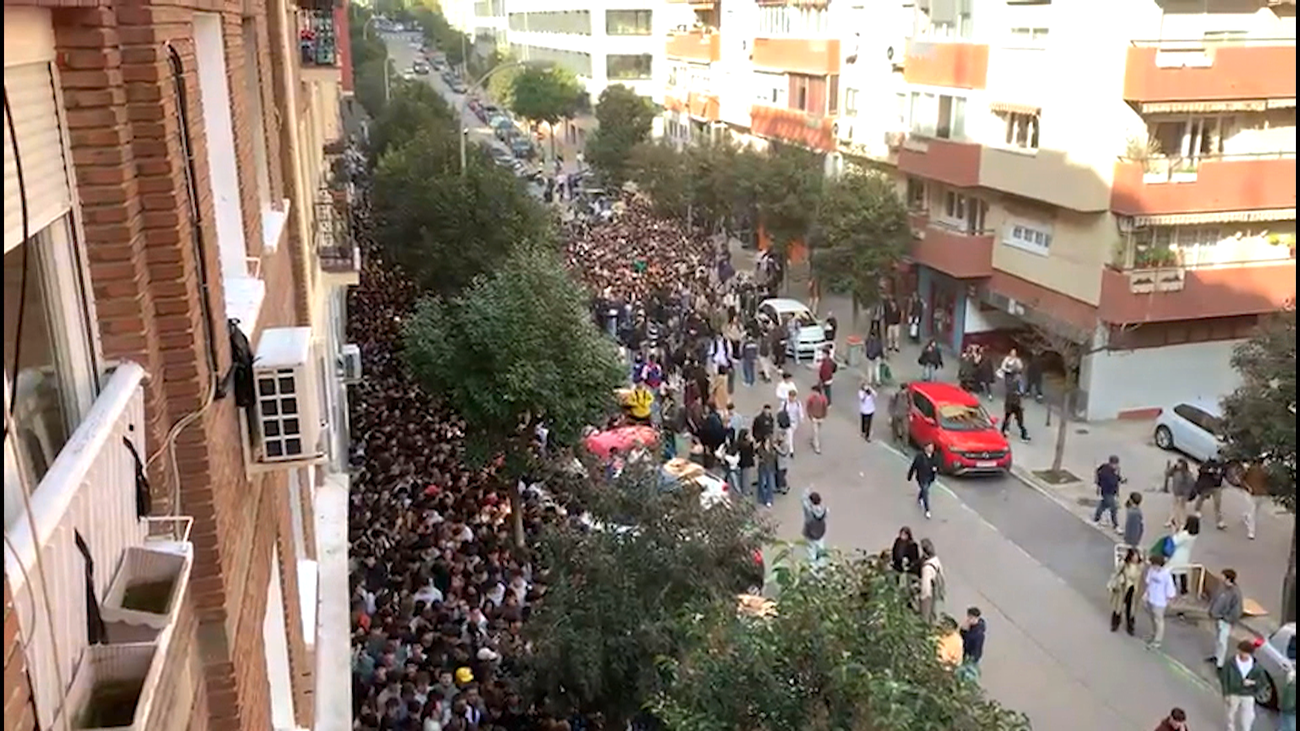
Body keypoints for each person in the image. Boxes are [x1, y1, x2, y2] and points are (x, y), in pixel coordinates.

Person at [1221, 639, 1266, 731]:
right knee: (1230, 714)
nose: (1244, 655)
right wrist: (1226, 693)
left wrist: (1253, 683)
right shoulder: (1230, 663)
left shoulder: (1256, 667)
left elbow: (1262, 682)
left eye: (1246, 653)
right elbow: (1224, 678)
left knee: (1248, 716)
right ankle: (1230, 729)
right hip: (1233, 692)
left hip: (1248, 694)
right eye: (1242, 652)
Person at [1206, 568, 1244, 669]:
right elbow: (1215, 599)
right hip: (1217, 617)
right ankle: (1216, 656)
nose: (1220, 578)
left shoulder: (1235, 593)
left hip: (1225, 620)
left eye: (1223, 576)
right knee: (1218, 638)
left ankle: (1220, 663)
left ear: (1228, 579)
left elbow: (1237, 609)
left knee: (1223, 641)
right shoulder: (1221, 587)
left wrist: (1227, 618)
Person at [1143, 554, 1178, 650]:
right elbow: (1148, 582)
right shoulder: (1151, 570)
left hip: (1160, 601)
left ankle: (1157, 641)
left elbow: (1170, 589)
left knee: (1159, 621)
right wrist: (1146, 594)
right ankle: (1153, 634)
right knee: (1152, 619)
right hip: (1151, 599)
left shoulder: (1166, 575)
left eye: (1154, 565)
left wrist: (1170, 599)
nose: (1153, 566)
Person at [1108, 547, 1144, 635]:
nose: (1135, 558)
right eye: (1134, 556)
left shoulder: (1140, 566)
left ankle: (1130, 626)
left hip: (1134, 590)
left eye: (1137, 556)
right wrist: (1111, 583)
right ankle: (1115, 623)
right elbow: (1116, 573)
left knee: (1130, 609)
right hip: (1123, 588)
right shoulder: (1124, 564)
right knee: (1118, 607)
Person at [1167, 515, 1199, 595]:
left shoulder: (1185, 535)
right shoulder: (1194, 534)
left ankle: (1172, 587)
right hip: (1186, 554)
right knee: (1182, 572)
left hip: (1178, 554)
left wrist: (1174, 531)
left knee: (1173, 571)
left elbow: (1175, 541)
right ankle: (1183, 589)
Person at [1193, 457, 1227, 530]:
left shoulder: (1223, 466)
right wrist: (1209, 471)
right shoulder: (1209, 464)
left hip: (1217, 487)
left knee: (1217, 504)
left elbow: (1225, 475)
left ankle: (1219, 521)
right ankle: (1197, 509)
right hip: (1208, 486)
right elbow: (1201, 470)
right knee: (1202, 498)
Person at [907, 442, 939, 519]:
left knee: (924, 489)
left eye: (932, 447)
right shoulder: (920, 457)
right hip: (921, 477)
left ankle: (920, 497)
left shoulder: (935, 456)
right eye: (930, 447)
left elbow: (937, 464)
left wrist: (936, 469)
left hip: (930, 477)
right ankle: (927, 510)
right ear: (926, 448)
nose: (932, 449)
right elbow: (914, 466)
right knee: (925, 490)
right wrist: (910, 476)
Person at [918, 538, 945, 624]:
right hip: (936, 586)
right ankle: (932, 622)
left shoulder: (927, 567)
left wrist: (923, 598)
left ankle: (926, 627)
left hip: (930, 591)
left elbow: (926, 587)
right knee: (933, 609)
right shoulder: (935, 559)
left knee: (926, 614)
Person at [1093, 455, 1124, 530]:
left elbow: (1097, 470)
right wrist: (1116, 477)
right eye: (1115, 464)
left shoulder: (1107, 467)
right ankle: (1116, 525)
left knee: (1103, 505)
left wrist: (1120, 479)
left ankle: (1096, 518)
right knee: (1114, 508)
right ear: (1111, 464)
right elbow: (1111, 482)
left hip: (1111, 491)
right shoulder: (1106, 472)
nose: (1116, 466)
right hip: (1107, 491)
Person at [1165, 458, 1195, 529]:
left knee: (1182, 508)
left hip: (1182, 495)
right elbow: (1167, 473)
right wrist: (1172, 468)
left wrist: (1185, 495)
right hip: (1176, 493)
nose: (1177, 464)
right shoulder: (1175, 471)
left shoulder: (1187, 474)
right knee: (1174, 507)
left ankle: (1183, 523)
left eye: (1179, 463)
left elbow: (1189, 485)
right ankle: (1171, 520)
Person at [959, 606, 986, 681]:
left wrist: (973, 658)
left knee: (969, 674)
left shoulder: (978, 633)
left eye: (971, 617)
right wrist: (963, 631)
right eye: (968, 617)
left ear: (976, 618)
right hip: (965, 654)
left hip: (971, 657)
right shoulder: (969, 627)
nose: (968, 619)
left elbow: (976, 647)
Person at [802, 488, 828, 563]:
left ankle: (813, 570)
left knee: (811, 553)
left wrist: (806, 491)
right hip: (820, 533)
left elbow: (803, 501)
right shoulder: (825, 510)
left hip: (810, 534)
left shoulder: (809, 511)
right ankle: (821, 569)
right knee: (820, 552)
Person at [806, 384, 829, 454]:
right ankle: (817, 446)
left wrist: (824, 416)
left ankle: (814, 440)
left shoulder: (823, 399)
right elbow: (808, 407)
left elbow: (825, 408)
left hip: (820, 417)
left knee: (817, 431)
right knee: (816, 432)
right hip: (814, 417)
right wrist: (810, 416)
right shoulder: (811, 398)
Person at [755, 433, 777, 508]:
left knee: (769, 483)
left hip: (770, 466)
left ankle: (769, 499)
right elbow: (756, 454)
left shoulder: (772, 447)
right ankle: (762, 498)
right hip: (762, 467)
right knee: (762, 483)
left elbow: (774, 456)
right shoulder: (760, 447)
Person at [774, 430, 792, 495]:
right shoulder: (779, 442)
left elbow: (784, 453)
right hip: (779, 463)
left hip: (783, 464)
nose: (778, 437)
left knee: (781, 476)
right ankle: (781, 487)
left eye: (780, 436)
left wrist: (777, 448)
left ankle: (784, 488)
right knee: (779, 476)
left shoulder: (786, 444)